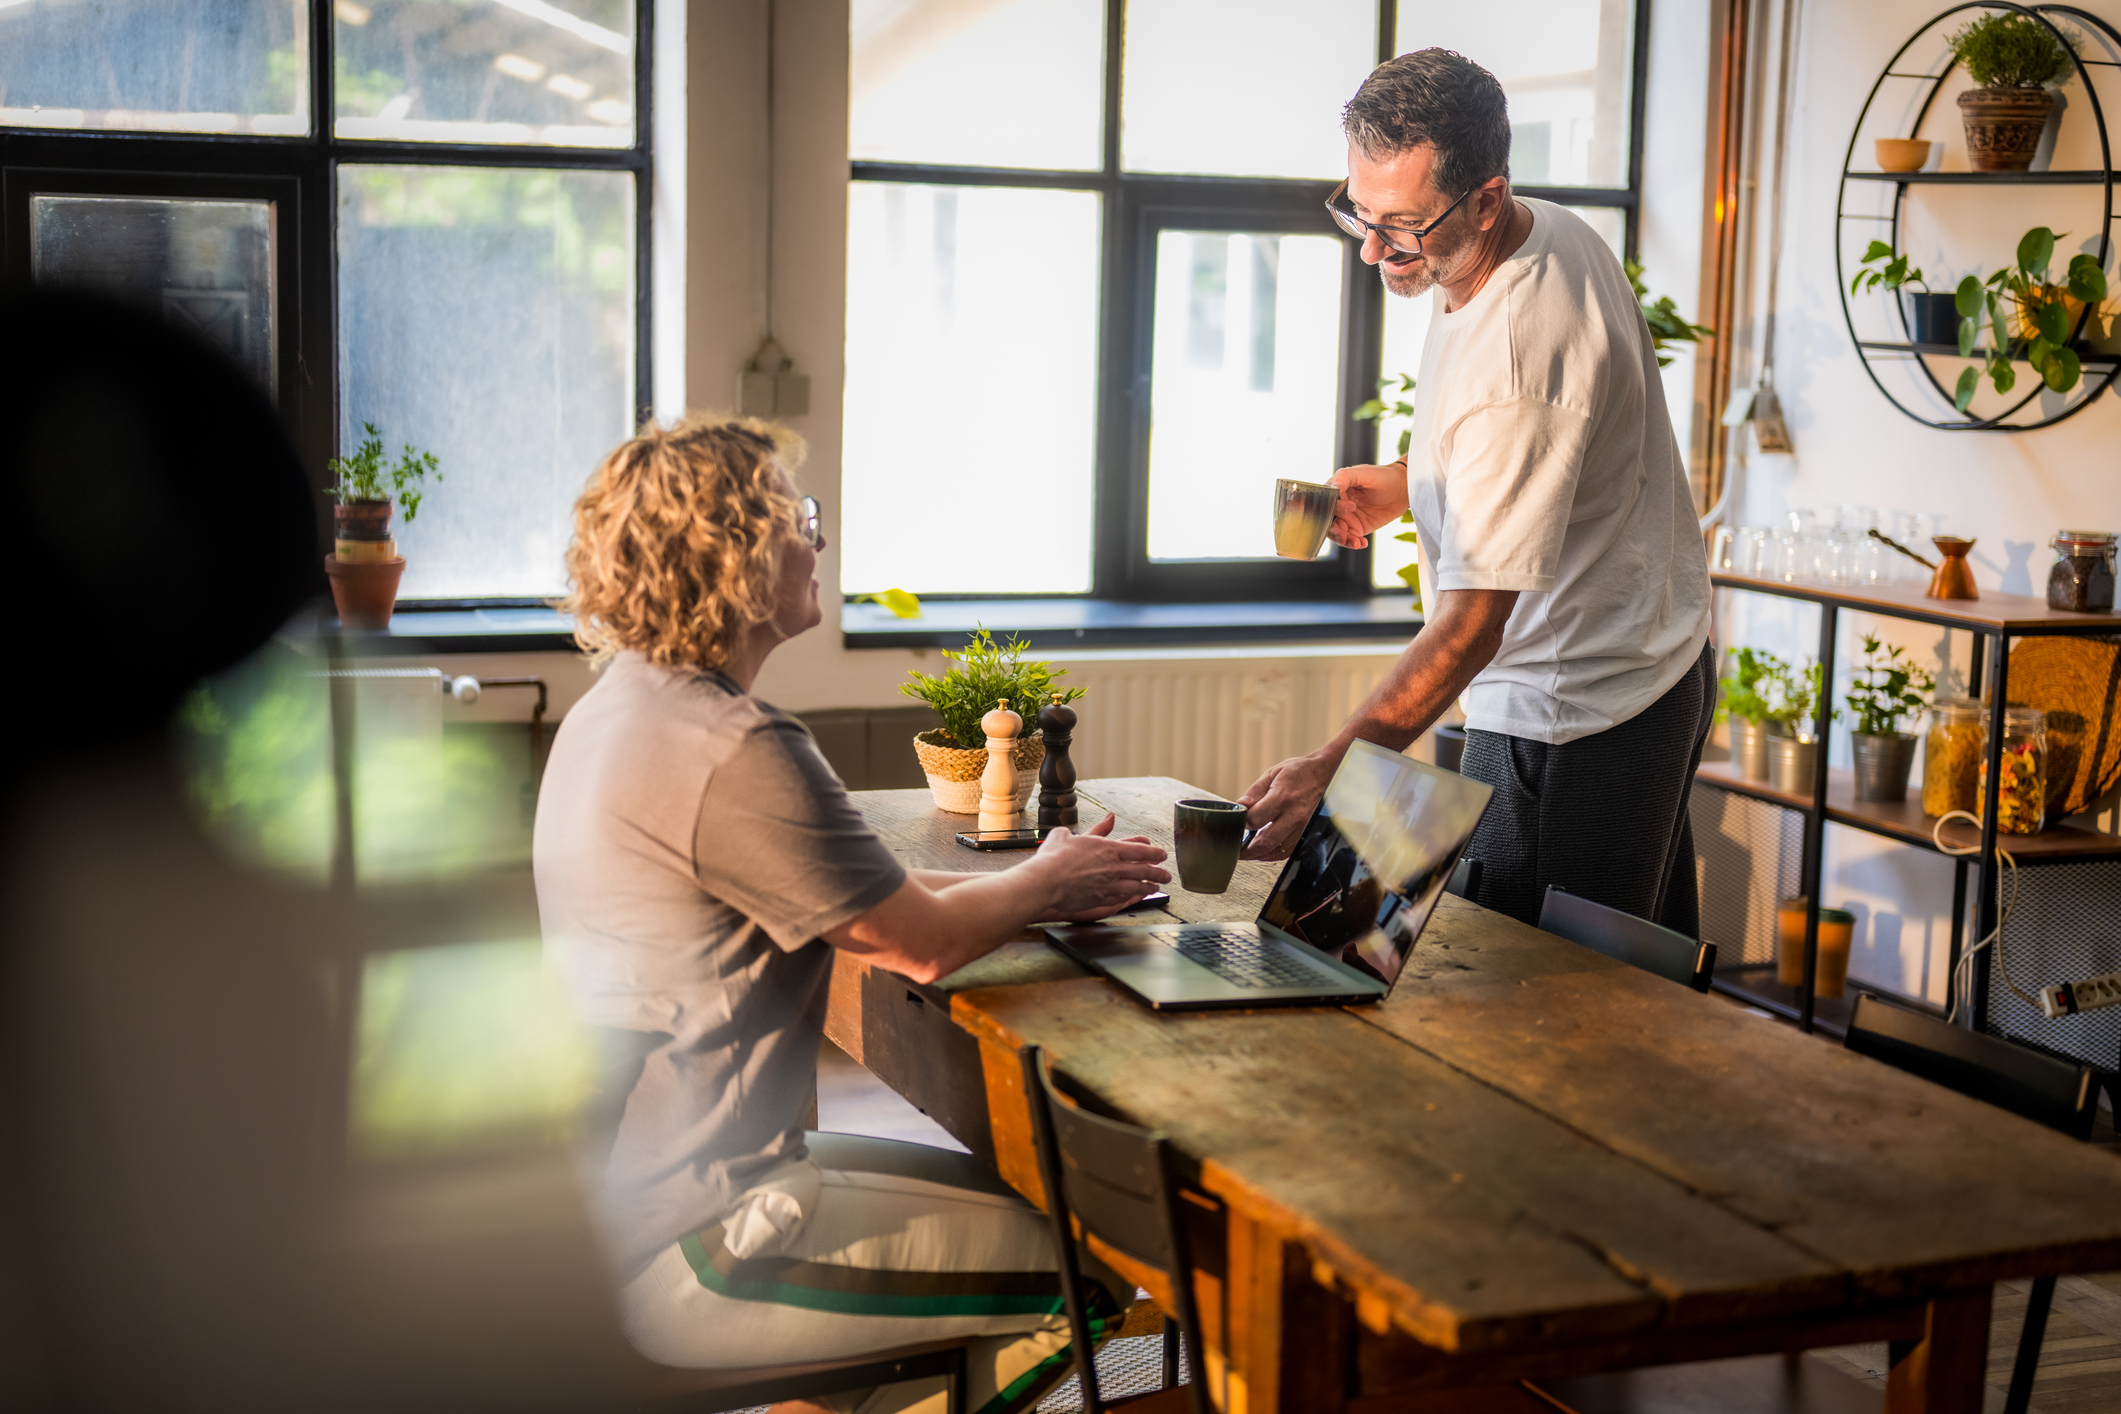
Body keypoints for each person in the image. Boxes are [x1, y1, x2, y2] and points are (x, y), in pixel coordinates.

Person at [532, 416, 1170, 1414]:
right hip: (703, 1237)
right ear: (735, 553)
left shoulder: (622, 709)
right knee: (1091, 1268)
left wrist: (1055, 874)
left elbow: (884, 905)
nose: (817, 539)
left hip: (619, 1207)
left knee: (1016, 1204)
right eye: (798, 516)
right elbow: (915, 945)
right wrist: (1046, 881)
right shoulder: (735, 746)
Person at [1239, 50, 1714, 935]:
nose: (1373, 250)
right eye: (1360, 213)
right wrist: (1403, 487)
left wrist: (1327, 774)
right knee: (1618, 969)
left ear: (1486, 197)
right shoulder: (1544, 231)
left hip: (1575, 716)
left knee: (1533, 998)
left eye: (1402, 226)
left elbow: (1467, 628)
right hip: (1641, 668)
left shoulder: (1516, 358)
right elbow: (1557, 466)